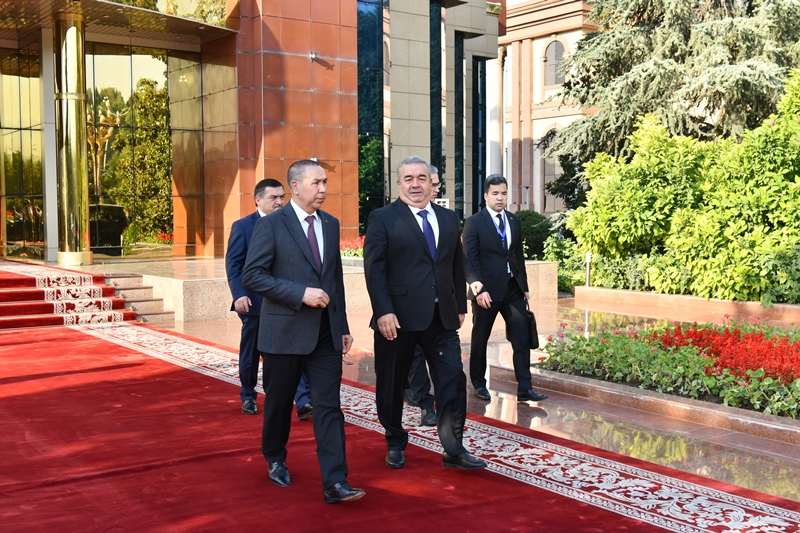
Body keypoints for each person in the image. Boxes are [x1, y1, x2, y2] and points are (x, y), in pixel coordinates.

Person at [242, 160, 365, 504]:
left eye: (325, 182)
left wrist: (342, 325)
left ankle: (336, 482)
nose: (323, 189)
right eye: (316, 183)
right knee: (279, 403)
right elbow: (253, 276)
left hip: (325, 333)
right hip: (284, 332)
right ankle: (275, 457)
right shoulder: (271, 224)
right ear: (295, 187)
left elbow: (334, 280)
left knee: (329, 406)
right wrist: (300, 293)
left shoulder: (330, 223)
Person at [364, 155, 486, 471]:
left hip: (441, 319)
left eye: (422, 178)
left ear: (432, 183)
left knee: (453, 380)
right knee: (391, 384)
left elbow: (455, 264)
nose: (416, 184)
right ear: (398, 183)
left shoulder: (447, 218)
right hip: (397, 320)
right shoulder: (383, 218)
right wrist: (383, 311)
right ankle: (395, 441)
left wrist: (459, 306)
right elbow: (374, 270)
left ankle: (453, 448)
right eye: (409, 179)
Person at [225, 178, 312, 418]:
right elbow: (234, 264)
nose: (279, 202)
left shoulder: (290, 224)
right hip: (254, 303)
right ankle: (248, 395)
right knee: (252, 352)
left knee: (292, 350)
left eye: (282, 197)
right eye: (273, 197)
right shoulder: (243, 227)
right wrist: (239, 294)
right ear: (258, 200)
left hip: (286, 301)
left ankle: (303, 400)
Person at [462, 174, 548, 403]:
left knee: (521, 338)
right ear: (486, 196)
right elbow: (468, 259)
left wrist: (524, 286)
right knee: (480, 339)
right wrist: (478, 289)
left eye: (503, 193)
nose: (500, 198)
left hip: (513, 289)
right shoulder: (474, 222)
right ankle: (479, 384)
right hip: (486, 291)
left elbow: (517, 255)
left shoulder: (513, 220)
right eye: (495, 194)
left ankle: (525, 388)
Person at [403, 167, 441, 427]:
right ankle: (425, 403)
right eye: (432, 183)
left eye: (436, 184)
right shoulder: (397, 218)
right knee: (414, 358)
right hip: (408, 307)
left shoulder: (445, 218)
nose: (434, 189)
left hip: (439, 309)